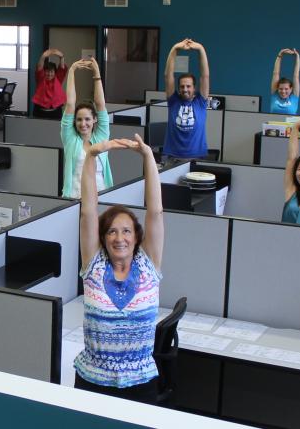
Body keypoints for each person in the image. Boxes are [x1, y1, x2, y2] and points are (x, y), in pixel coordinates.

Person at [75, 132, 164, 404]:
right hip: (93, 382)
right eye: (111, 232)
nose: (119, 238)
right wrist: (91, 156)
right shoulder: (94, 265)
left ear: (137, 237)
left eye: (126, 231)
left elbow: (155, 212)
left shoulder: (149, 264)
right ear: (103, 238)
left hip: (141, 383)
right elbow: (88, 212)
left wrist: (148, 157)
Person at [61, 57, 112, 198]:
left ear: (95, 119)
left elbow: (100, 104)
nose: (83, 124)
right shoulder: (70, 139)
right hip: (75, 197)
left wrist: (96, 74)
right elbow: (70, 104)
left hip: (101, 195)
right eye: (79, 120)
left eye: (87, 119)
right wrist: (71, 71)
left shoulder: (101, 137)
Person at [163, 38, 210, 160]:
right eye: (182, 86)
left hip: (197, 156)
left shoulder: (200, 102)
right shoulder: (173, 101)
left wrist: (200, 48)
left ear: (194, 88)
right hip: (173, 156)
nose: (185, 89)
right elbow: (168, 75)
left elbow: (205, 76)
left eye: (188, 86)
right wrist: (174, 49)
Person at [32, 48, 67, 119]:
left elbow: (62, 68)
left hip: (55, 112)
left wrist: (61, 57)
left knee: (54, 128)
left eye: (51, 72)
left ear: (55, 73)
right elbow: (39, 67)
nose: (49, 74)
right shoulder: (41, 78)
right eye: (47, 71)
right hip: (40, 111)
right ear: (44, 72)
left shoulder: (58, 79)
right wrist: (43, 56)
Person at [269, 48, 300, 114]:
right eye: (281, 89)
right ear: (277, 88)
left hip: (291, 124)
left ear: (291, 89)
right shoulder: (275, 94)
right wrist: (280, 55)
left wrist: (297, 56)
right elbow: (275, 73)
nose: (283, 91)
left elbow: (296, 76)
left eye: (286, 89)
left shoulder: (294, 96)